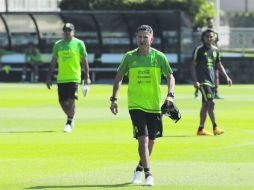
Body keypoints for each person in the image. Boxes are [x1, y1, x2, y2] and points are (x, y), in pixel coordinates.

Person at [110, 25, 175, 186]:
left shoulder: (159, 57)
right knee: (143, 140)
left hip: (154, 105)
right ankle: (149, 174)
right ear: (136, 38)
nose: (142, 40)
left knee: (151, 141)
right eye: (139, 37)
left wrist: (170, 95)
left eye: (145, 37)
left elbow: (170, 77)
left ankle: (139, 168)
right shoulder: (129, 57)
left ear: (151, 39)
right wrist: (114, 99)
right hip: (135, 105)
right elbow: (118, 78)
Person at [46, 23, 91, 133]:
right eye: (65, 30)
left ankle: (69, 122)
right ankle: (71, 116)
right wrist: (49, 77)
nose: (67, 32)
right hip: (61, 78)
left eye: (69, 30)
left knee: (71, 101)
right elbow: (53, 61)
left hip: (74, 77)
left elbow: (84, 61)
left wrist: (87, 77)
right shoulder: (58, 45)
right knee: (62, 103)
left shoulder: (79, 44)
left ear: (73, 32)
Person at [191, 29, 232, 136]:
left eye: (211, 37)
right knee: (211, 102)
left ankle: (201, 129)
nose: (209, 38)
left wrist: (226, 77)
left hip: (212, 81)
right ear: (203, 38)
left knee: (205, 105)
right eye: (207, 36)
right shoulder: (199, 49)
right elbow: (192, 65)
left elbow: (219, 65)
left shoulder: (215, 50)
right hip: (203, 81)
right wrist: (195, 80)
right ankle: (215, 127)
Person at [194, 17, 223, 99]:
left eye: (212, 22)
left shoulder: (215, 32)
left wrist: (216, 52)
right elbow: (200, 42)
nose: (210, 23)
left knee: (216, 74)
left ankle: (216, 91)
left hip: (213, 55)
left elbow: (216, 43)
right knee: (200, 72)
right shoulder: (204, 31)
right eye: (209, 22)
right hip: (204, 55)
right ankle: (197, 90)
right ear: (207, 23)